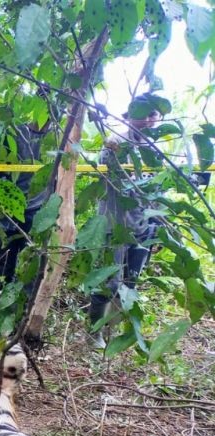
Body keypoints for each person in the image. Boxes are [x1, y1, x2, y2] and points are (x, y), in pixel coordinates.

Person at [88, 93, 164, 349]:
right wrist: (111, 148)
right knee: (107, 282)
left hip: (143, 225)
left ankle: (113, 330)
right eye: (141, 114)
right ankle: (94, 333)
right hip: (114, 223)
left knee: (130, 282)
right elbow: (104, 160)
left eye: (151, 114)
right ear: (130, 115)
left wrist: (160, 225)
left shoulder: (154, 150)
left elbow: (158, 190)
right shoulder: (118, 140)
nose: (147, 120)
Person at [0, 120, 50, 288]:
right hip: (8, 208)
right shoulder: (15, 133)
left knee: (32, 266)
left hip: (39, 210)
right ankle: (0, 304)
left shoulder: (57, 137)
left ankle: (27, 310)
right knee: (5, 265)